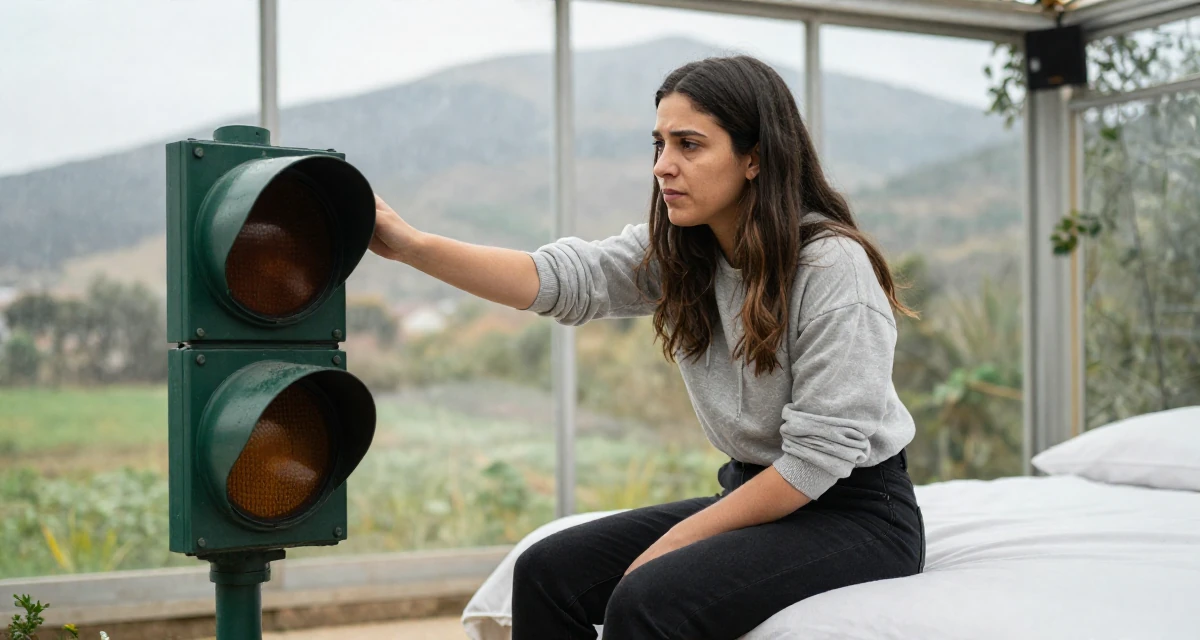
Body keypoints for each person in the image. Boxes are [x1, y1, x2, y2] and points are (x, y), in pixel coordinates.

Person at [369, 55, 926, 640]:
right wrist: (413, 246)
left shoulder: (833, 266)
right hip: (757, 493)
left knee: (648, 600)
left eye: (689, 145)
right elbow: (557, 279)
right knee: (543, 573)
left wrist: (676, 542)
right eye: (659, 145)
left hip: (857, 516)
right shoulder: (687, 251)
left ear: (755, 157)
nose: (664, 166)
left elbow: (816, 460)